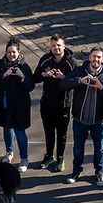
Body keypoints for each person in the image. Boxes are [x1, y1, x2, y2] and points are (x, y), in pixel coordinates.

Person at [62, 48, 103, 185]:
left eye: (99, 57)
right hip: (79, 119)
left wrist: (101, 87)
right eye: (94, 57)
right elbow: (62, 84)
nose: (96, 60)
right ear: (89, 57)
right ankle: (76, 171)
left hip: (99, 121)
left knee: (100, 148)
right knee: (78, 148)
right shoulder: (80, 71)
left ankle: (99, 172)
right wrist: (80, 81)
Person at [32, 36, 80, 174]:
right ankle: (48, 155)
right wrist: (44, 74)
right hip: (47, 103)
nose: (56, 48)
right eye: (53, 46)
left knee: (62, 133)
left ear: (64, 46)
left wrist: (63, 78)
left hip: (63, 104)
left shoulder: (72, 62)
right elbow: (35, 78)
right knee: (48, 131)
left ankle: (60, 157)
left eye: (58, 45)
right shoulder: (45, 59)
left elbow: (77, 81)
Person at [0, 39, 35, 170]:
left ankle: (24, 158)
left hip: (20, 106)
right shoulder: (0, 64)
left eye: (13, 52)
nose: (11, 55)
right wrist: (4, 74)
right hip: (4, 103)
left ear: (19, 52)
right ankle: (9, 152)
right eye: (9, 52)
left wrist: (22, 77)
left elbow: (31, 86)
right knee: (7, 128)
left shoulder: (24, 67)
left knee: (20, 131)